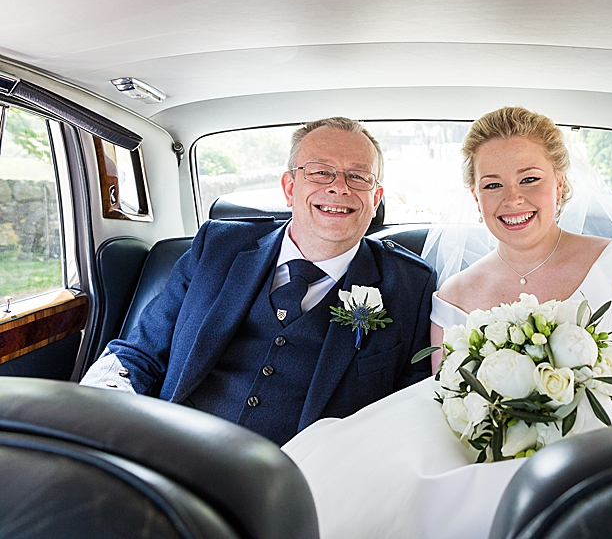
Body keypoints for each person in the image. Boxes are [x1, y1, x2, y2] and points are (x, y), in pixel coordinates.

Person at [283, 107, 612, 539]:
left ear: (559, 184)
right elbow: (453, 415)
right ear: (475, 197)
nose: (512, 199)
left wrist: (597, 423)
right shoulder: (451, 298)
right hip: (496, 474)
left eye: (529, 179)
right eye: (492, 185)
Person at [81, 117, 437, 446]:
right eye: (320, 172)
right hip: (172, 455)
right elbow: (140, 352)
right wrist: (96, 409)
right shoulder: (216, 248)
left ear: (375, 199)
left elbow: (409, 409)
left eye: (358, 177)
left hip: (305, 483)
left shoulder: (411, 286)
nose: (339, 188)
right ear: (289, 187)